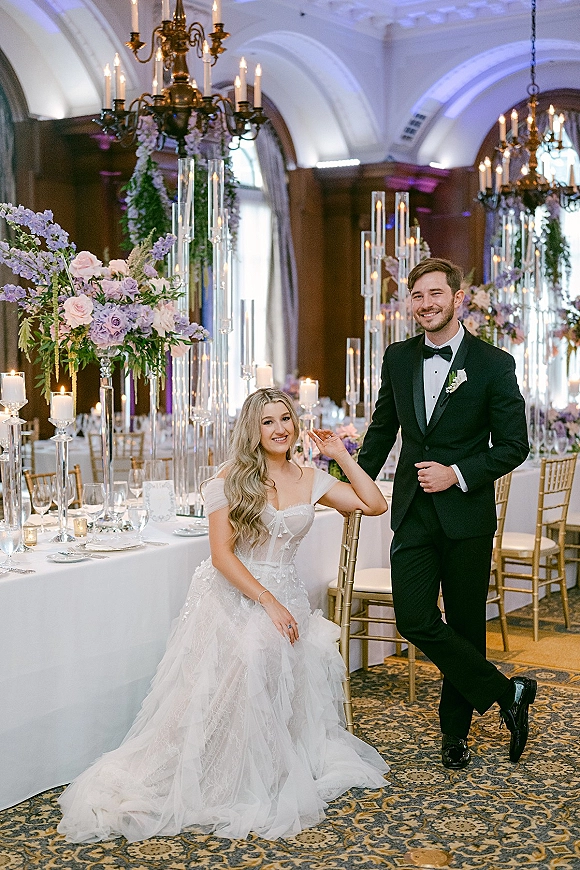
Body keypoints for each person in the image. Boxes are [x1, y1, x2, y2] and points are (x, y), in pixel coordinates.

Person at [58, 388, 389, 843]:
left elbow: (375, 505)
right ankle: (222, 767)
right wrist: (267, 601)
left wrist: (339, 456)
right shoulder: (229, 478)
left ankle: (265, 761)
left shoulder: (311, 478)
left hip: (287, 593)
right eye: (268, 421)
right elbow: (220, 556)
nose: (280, 429)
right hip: (236, 589)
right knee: (254, 650)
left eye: (286, 419)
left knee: (272, 649)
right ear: (254, 429)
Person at [357, 257, 534, 771]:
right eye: (417, 296)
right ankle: (507, 694)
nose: (426, 304)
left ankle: (454, 734)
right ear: (409, 303)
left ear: (459, 298)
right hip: (412, 511)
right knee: (413, 617)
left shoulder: (493, 364)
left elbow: (514, 446)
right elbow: (382, 430)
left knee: (463, 624)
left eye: (436, 294)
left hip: (465, 514)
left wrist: (456, 472)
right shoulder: (397, 357)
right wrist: (347, 480)